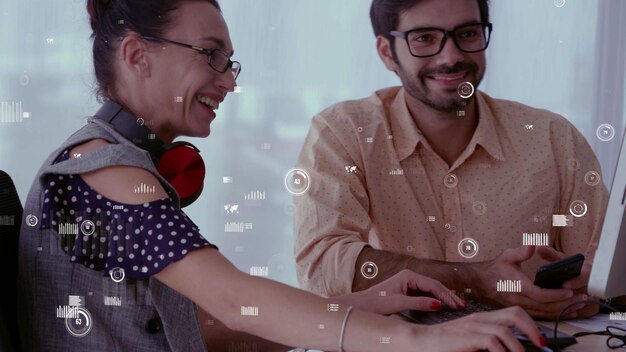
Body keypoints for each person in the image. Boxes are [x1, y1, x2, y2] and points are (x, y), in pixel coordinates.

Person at [16, 0, 548, 351]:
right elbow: (231, 299)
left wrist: (359, 305)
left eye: (231, 62)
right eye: (211, 55)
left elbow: (198, 329)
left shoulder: (115, 162)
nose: (227, 81)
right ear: (138, 56)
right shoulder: (103, 170)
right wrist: (424, 342)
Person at [294, 0, 608, 320]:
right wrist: (474, 279)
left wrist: (582, 292)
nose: (451, 56)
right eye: (424, 38)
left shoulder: (553, 138)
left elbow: (606, 274)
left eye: (468, 33)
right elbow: (322, 266)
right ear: (387, 52)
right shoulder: (346, 132)